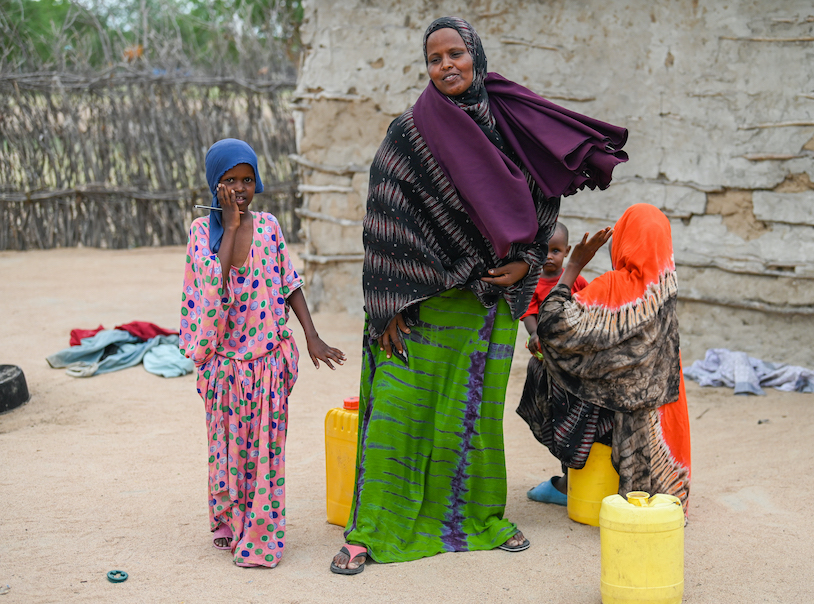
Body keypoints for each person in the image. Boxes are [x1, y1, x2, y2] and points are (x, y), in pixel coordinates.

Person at [330, 17, 628, 574]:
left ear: (475, 55)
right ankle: (371, 530)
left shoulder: (511, 120)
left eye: (455, 54)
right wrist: (387, 307)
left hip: (487, 304)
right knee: (397, 409)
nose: (446, 65)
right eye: (434, 58)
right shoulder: (409, 131)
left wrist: (527, 262)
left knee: (471, 416)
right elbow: (385, 214)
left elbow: (544, 194)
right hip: (420, 303)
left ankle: (478, 517)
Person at [180, 138, 346, 568]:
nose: (239, 188)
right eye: (229, 180)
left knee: (266, 454)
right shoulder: (202, 232)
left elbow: (289, 282)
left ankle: (260, 537)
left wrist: (311, 335)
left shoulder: (270, 226)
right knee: (227, 449)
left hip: (269, 363)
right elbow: (213, 286)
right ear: (213, 184)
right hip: (226, 367)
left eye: (247, 179)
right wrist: (231, 227)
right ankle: (226, 519)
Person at [519, 203, 691, 514]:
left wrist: (573, 267)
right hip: (651, 430)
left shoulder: (614, 287)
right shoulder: (667, 292)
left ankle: (568, 481)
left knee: (542, 367)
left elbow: (551, 326)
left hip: (612, 415)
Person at [522, 222, 589, 360]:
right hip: (544, 342)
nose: (549, 256)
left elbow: (590, 304)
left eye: (556, 251)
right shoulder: (532, 283)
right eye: (544, 250)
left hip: (573, 341)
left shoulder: (577, 280)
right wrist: (535, 333)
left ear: (567, 251)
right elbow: (529, 313)